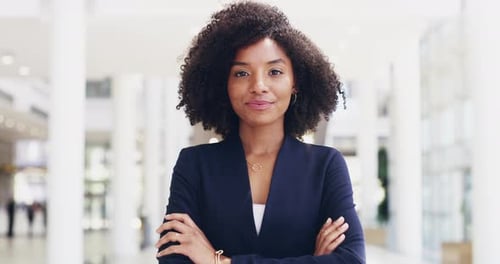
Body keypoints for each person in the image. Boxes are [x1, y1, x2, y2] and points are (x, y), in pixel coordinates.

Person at [155, 1, 365, 263]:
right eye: (241, 73)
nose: (258, 86)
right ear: (225, 84)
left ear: (295, 83)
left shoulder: (325, 166)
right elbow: (173, 258)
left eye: (274, 71)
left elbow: (351, 260)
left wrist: (216, 259)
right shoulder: (195, 164)